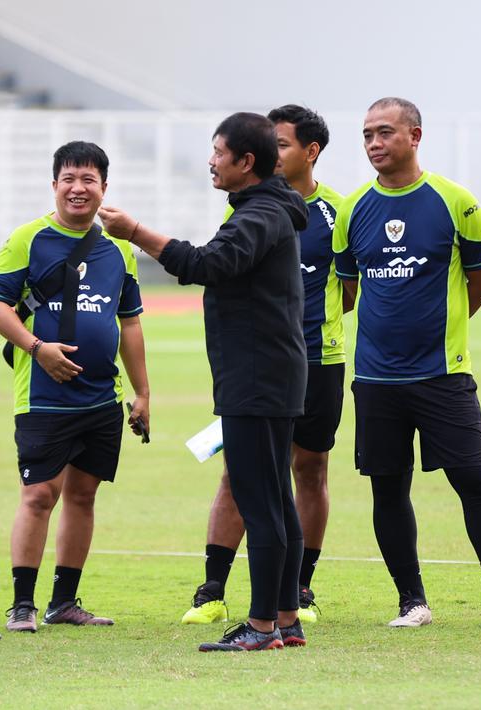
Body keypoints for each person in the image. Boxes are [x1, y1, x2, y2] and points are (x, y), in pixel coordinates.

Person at [99, 112, 309, 652]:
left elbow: (204, 264)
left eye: (219, 152)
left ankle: (263, 627)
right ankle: (285, 618)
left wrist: (136, 232)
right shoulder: (265, 210)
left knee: (259, 501)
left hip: (257, 378)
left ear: (246, 162)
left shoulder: (260, 214)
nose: (211, 161)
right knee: (277, 499)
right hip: (268, 375)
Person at [332, 97, 481, 630]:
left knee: (474, 480)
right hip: (376, 379)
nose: (374, 144)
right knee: (388, 489)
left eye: (385, 133)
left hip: (444, 375)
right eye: (367, 136)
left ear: (414, 136)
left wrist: (446, 326)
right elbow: (350, 287)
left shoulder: (456, 202)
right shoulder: (353, 210)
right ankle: (412, 602)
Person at [180, 105, 350, 627]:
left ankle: (281, 605)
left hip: (291, 362)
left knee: (291, 479)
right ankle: (227, 594)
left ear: (309, 151)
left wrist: (138, 232)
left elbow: (210, 266)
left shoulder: (325, 211)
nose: (278, 152)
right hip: (275, 363)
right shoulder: (250, 209)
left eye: (284, 143)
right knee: (256, 480)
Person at [0, 141, 151, 632]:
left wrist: (142, 393)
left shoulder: (119, 248)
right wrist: (39, 349)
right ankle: (22, 605)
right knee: (38, 495)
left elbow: (131, 323)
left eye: (89, 180)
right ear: (54, 184)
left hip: (100, 396)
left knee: (83, 496)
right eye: (69, 179)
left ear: (103, 188)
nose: (79, 189)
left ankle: (64, 603)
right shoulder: (28, 239)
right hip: (42, 395)